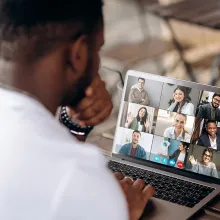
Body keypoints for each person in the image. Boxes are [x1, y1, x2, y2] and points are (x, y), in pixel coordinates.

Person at [0, 1, 154, 220]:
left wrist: (73, 125)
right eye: (98, 48)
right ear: (78, 54)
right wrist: (118, 211)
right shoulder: (76, 178)